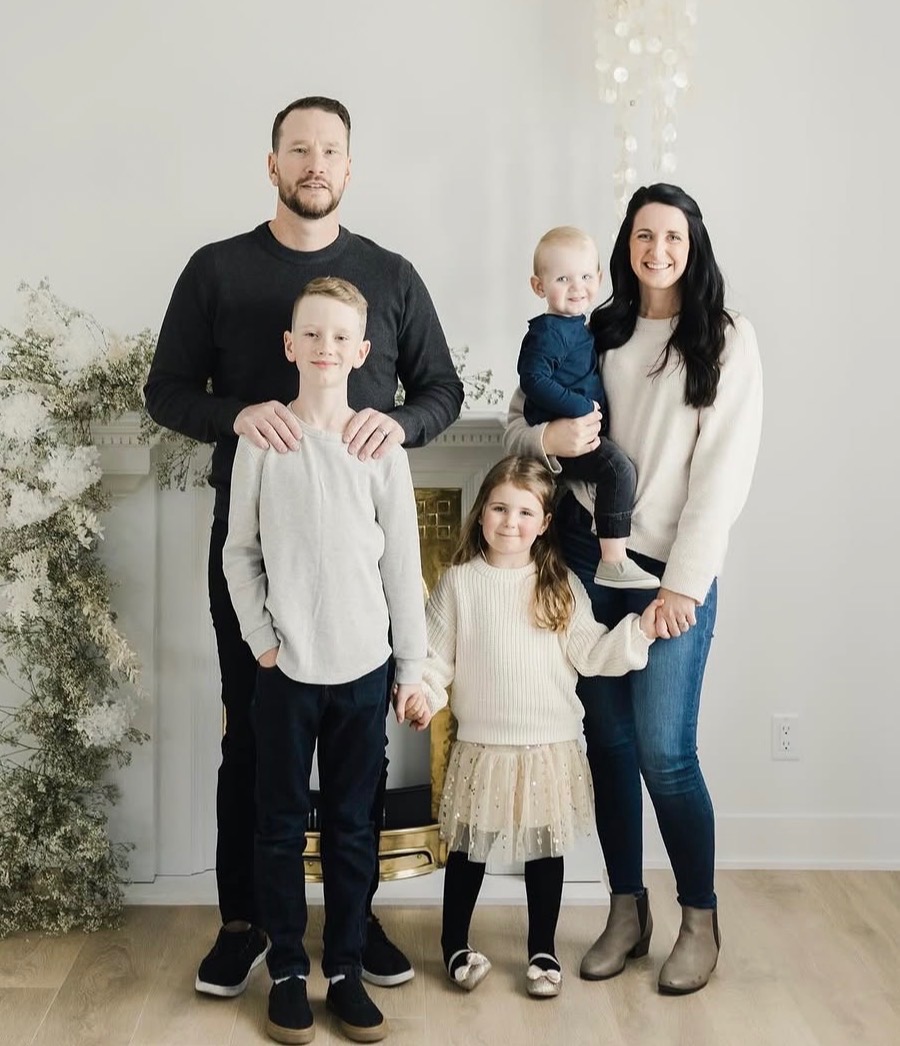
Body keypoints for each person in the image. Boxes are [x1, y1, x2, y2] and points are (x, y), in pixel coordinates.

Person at [143, 96, 464, 1000]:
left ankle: (353, 927)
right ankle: (247, 923)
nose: (314, 163)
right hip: (259, 545)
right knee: (250, 740)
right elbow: (166, 391)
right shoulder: (217, 269)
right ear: (273, 164)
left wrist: (396, 426)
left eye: (330, 151)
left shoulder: (392, 276)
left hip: (362, 552)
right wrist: (237, 415)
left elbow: (442, 388)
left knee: (359, 762)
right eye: (298, 149)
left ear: (349, 168)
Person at [505, 183, 763, 995]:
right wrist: (545, 436)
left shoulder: (724, 338)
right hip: (586, 563)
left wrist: (683, 585)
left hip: (668, 575)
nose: (658, 250)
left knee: (665, 752)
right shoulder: (598, 326)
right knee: (609, 746)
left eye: (673, 236)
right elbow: (519, 425)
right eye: (644, 235)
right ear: (626, 246)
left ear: (693, 245)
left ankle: (699, 918)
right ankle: (626, 910)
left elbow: (722, 477)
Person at [223, 276, 425, 1044]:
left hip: (364, 668)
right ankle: (285, 970)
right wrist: (262, 640)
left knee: (350, 826)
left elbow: (402, 566)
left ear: (362, 351)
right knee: (277, 824)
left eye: (340, 337)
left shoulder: (379, 448)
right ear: (290, 345)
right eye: (311, 334)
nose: (325, 347)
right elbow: (240, 553)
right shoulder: (262, 442)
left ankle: (343, 968)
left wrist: (410, 668)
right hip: (286, 673)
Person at [394, 456, 664, 999]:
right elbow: (435, 660)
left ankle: (542, 948)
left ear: (544, 523)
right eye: (499, 508)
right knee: (468, 849)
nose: (510, 522)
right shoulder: (460, 584)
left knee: (544, 849)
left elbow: (591, 653)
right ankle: (454, 944)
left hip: (548, 746)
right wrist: (422, 695)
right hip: (483, 746)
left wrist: (641, 631)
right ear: (481, 513)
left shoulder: (559, 583)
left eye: (524, 512)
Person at [518, 226, 659, 591]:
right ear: (539, 287)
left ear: (599, 278)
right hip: (565, 435)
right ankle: (613, 559)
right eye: (562, 279)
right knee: (617, 470)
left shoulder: (580, 327)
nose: (576, 287)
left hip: (579, 431)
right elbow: (532, 379)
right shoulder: (548, 332)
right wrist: (580, 407)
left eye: (584, 276)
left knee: (616, 470)